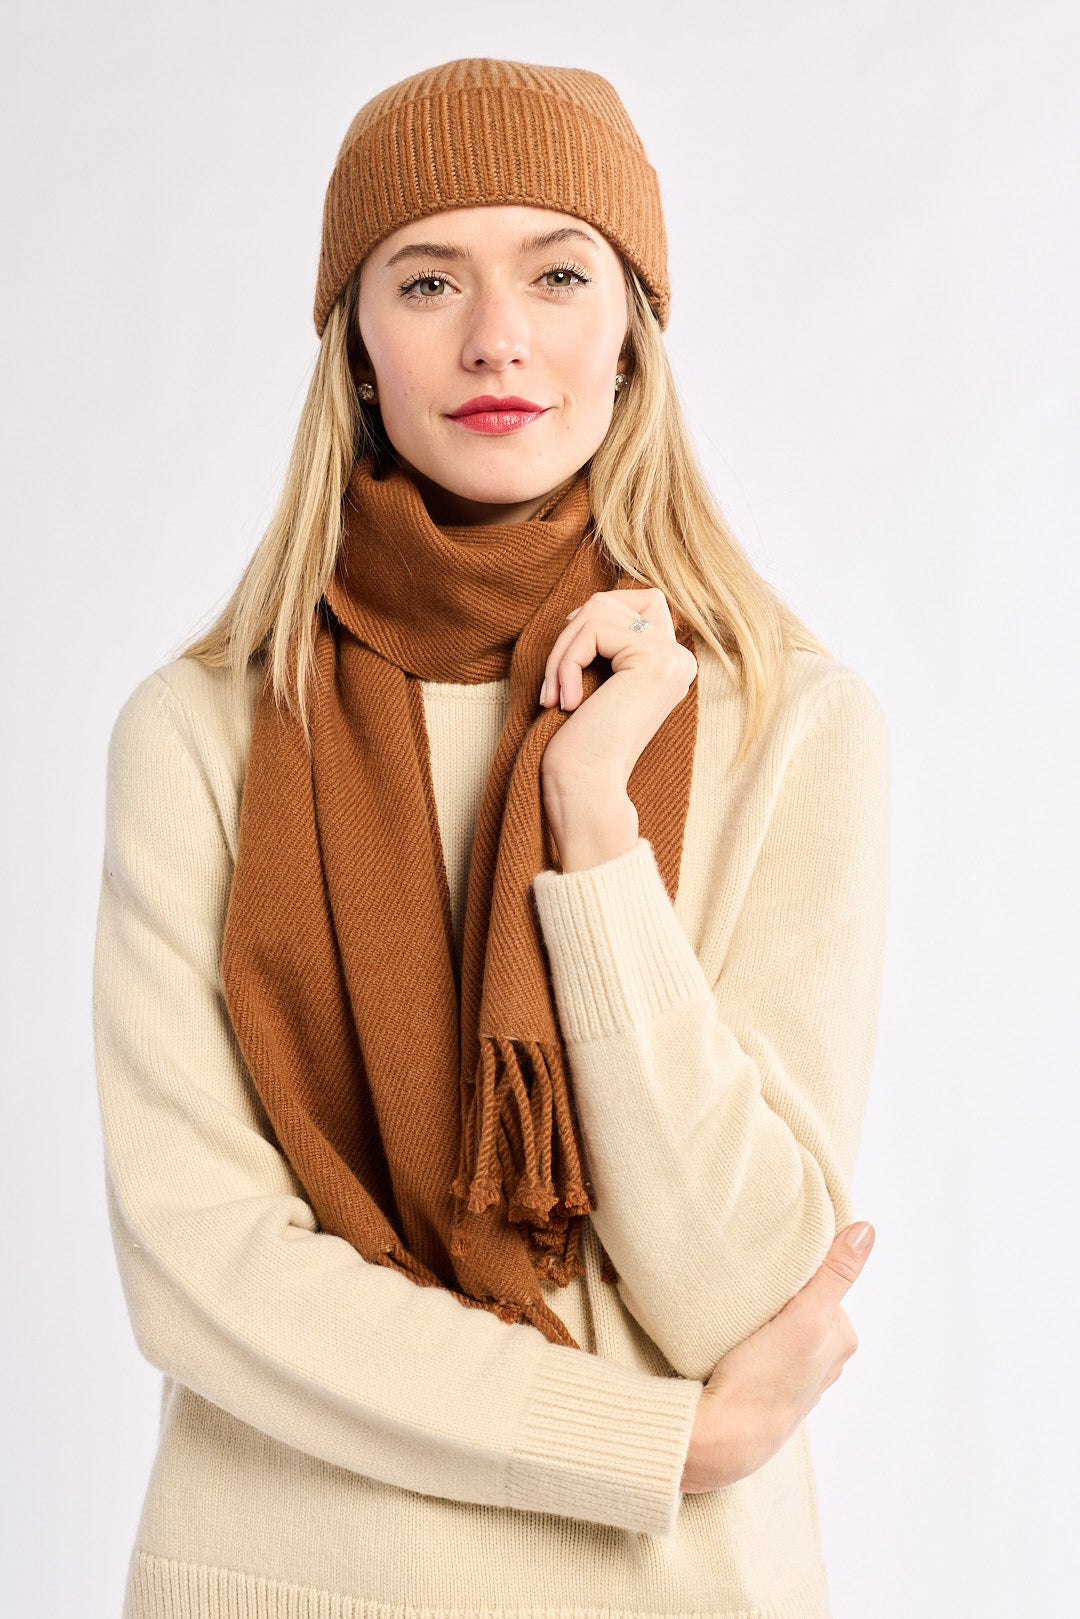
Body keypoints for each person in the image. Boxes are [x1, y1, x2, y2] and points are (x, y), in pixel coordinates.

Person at [93, 57, 890, 1619]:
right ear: (358, 345)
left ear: (632, 336)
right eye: (429, 276)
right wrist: (655, 1438)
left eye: (559, 270)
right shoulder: (198, 735)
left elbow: (740, 1282)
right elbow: (202, 1268)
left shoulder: (795, 724)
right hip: (288, 1578)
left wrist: (594, 827)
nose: (497, 336)